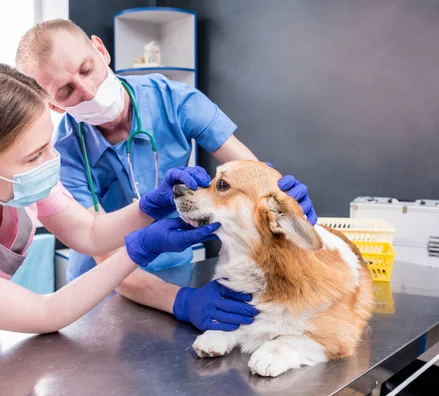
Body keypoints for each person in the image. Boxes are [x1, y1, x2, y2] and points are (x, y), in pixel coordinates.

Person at [0, 57, 225, 387]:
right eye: (35, 155)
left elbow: (91, 232)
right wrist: (142, 248)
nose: (52, 160)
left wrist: (149, 206)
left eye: (48, 143)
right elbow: (47, 313)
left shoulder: (10, 180)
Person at [16, 19, 318, 333]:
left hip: (174, 267)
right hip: (101, 292)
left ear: (100, 50)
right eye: (67, 91)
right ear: (54, 105)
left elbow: (249, 172)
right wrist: (182, 302)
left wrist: (280, 198)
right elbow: (103, 255)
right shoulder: (60, 155)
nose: (89, 91)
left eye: (87, 68)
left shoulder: (171, 99)